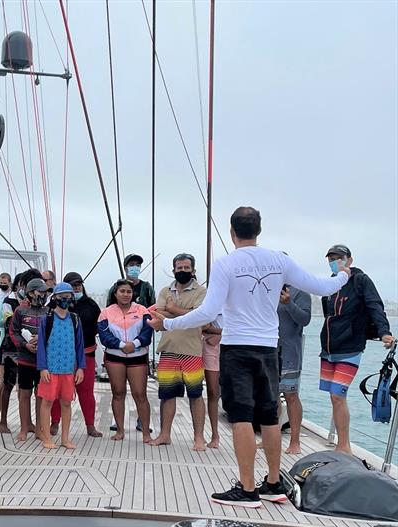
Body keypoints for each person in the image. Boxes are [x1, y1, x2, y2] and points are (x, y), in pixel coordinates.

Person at [148, 207, 353, 508]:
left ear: (232, 232)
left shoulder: (226, 263)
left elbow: (206, 312)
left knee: (241, 416)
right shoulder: (279, 260)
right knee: (269, 416)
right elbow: (321, 286)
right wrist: (344, 274)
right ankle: (272, 483)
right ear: (259, 231)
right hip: (270, 348)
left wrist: (166, 323)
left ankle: (246, 489)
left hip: (237, 348)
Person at [319, 244, 394, 454]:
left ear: (349, 260)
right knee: (333, 396)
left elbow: (375, 306)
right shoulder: (331, 284)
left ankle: (344, 445)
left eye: (338, 258)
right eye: (331, 258)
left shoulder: (361, 281)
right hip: (329, 348)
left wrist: (384, 332)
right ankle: (340, 443)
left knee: (337, 394)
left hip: (350, 347)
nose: (334, 262)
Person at [150, 254, 208, 451]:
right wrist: (186, 312)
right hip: (168, 349)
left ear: (193, 269)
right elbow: (158, 313)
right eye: (179, 267)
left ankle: (199, 438)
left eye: (186, 267)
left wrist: (173, 308)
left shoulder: (202, 291)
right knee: (167, 395)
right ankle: (164, 434)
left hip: (192, 352)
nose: (182, 271)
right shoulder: (165, 290)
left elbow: (201, 317)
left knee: (196, 395)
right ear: (173, 269)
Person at [98, 279, 153, 441]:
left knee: (140, 394)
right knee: (118, 393)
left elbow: (147, 331)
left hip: (138, 357)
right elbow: (104, 336)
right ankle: (120, 431)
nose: (125, 294)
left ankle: (145, 434)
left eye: (129, 291)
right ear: (115, 293)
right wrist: (122, 345)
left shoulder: (142, 310)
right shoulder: (106, 312)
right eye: (122, 291)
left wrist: (135, 344)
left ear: (132, 294)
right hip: (115, 357)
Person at [50, 272, 101, 438]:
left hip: (86, 354)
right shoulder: (54, 306)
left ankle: (90, 425)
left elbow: (98, 327)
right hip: (61, 354)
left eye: (79, 284)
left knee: (86, 391)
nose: (77, 287)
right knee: (57, 391)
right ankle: (55, 422)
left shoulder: (92, 305)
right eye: (73, 285)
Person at [37, 282, 86, 449]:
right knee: (47, 402)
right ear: (55, 298)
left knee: (66, 402)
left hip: (68, 369)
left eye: (68, 296)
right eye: (61, 296)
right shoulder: (47, 319)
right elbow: (41, 346)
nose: (65, 299)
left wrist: (80, 367)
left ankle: (65, 438)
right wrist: (43, 367)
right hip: (50, 369)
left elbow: (80, 345)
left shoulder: (75, 319)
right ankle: (46, 438)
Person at [10, 276, 51, 442]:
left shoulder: (49, 312)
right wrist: (25, 345)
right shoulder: (20, 311)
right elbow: (13, 332)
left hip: (42, 361)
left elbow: (52, 333)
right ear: (30, 293)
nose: (43, 295)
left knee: (40, 395)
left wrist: (41, 341)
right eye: (40, 291)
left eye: (45, 292)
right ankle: (24, 428)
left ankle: (40, 429)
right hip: (25, 358)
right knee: (24, 394)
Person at [277, 283, 312, 454]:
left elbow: (305, 319)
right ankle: (272, 438)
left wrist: (289, 303)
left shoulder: (301, 291)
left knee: (291, 395)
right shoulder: (267, 287)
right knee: (270, 396)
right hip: (268, 351)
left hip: (290, 352)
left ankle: (295, 441)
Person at [0, 274, 24, 433]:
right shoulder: (8, 301)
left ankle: (25, 422)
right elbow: (4, 321)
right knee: (4, 383)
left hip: (27, 350)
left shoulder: (35, 304)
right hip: (8, 347)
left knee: (24, 387)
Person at [201, 317, 222, 448]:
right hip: (210, 345)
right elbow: (202, 325)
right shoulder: (208, 297)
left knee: (237, 392)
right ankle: (214, 435)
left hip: (231, 344)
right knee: (212, 391)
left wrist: (220, 334)